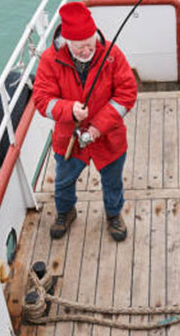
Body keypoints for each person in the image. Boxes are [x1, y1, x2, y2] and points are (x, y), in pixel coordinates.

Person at [33, 1, 137, 241]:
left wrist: (98, 126)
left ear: (95, 35)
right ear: (67, 43)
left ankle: (113, 214)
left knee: (112, 181)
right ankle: (65, 212)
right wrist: (68, 110)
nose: (86, 50)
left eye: (90, 43)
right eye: (79, 47)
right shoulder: (50, 59)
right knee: (64, 181)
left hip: (108, 135)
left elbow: (127, 93)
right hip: (68, 138)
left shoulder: (111, 54)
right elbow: (41, 99)